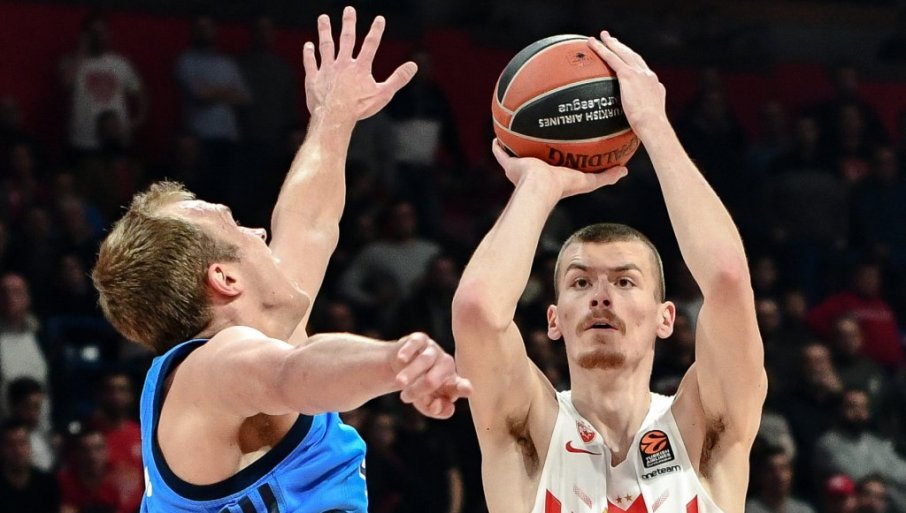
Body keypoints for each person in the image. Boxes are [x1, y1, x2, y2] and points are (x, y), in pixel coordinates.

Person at [90, 8, 471, 513]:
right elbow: (294, 374)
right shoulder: (211, 370)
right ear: (224, 278)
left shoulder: (260, 333)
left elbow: (307, 222)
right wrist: (395, 362)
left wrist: (335, 115)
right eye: (236, 226)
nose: (260, 232)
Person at [452, 32, 765, 513]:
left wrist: (655, 127)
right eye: (580, 282)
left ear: (666, 317)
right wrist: (539, 185)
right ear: (553, 318)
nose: (601, 296)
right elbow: (477, 311)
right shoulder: (531, 430)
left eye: (624, 281)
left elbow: (726, 278)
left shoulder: (702, 426)